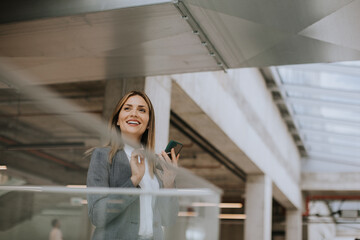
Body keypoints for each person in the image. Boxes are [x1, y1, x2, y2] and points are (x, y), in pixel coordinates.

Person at [87, 91, 179, 240]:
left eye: (142, 110)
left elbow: (169, 220)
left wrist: (169, 183)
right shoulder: (102, 156)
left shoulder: (156, 163)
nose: (134, 113)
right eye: (127, 108)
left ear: (149, 123)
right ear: (117, 120)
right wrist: (134, 180)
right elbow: (97, 215)